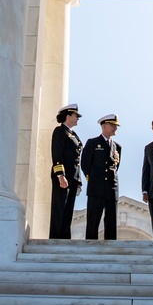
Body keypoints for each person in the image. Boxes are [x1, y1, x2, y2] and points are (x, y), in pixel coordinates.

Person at [81, 114, 121, 240]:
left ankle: (110, 246)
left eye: (116, 126)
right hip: (96, 187)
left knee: (111, 221)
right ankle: (90, 246)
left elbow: (115, 167)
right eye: (113, 125)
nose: (115, 128)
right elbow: (85, 164)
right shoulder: (93, 143)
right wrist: (93, 179)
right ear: (104, 126)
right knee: (93, 220)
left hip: (111, 188)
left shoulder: (117, 147)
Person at [48, 103, 83, 239]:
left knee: (68, 210)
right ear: (68, 116)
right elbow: (57, 154)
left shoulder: (73, 134)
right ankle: (56, 237)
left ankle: (64, 237)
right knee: (59, 208)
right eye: (76, 116)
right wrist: (60, 174)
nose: (78, 119)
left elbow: (77, 160)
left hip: (73, 178)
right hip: (63, 177)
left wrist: (78, 180)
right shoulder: (60, 131)